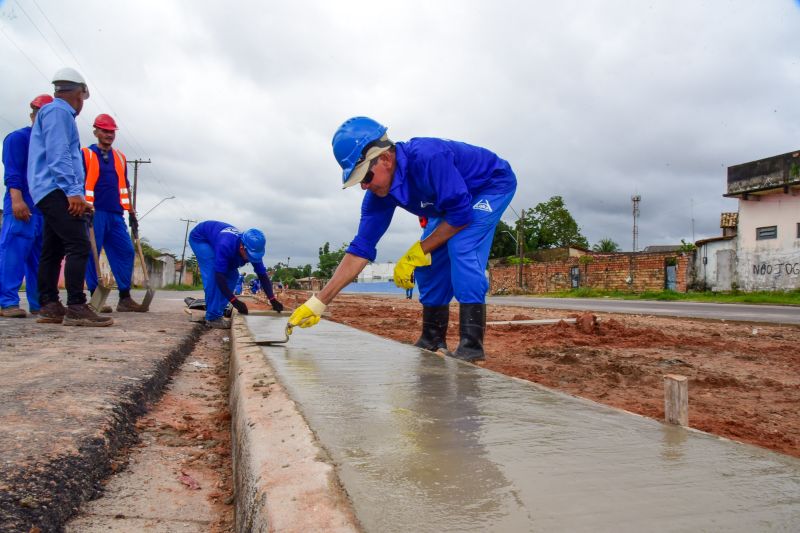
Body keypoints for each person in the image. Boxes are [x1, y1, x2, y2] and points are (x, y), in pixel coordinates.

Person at [288, 117, 516, 362]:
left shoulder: (429, 157)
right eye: (359, 182)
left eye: (366, 176)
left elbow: (461, 217)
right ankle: (432, 338)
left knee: (461, 245)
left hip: (489, 186)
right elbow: (360, 250)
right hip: (452, 203)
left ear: (385, 158)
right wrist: (320, 302)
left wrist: (415, 251)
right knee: (426, 263)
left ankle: (471, 346)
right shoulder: (379, 197)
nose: (364, 186)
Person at [27, 68, 113, 326]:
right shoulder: (59, 112)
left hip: (49, 189)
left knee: (52, 249)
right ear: (79, 94)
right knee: (78, 245)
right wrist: (73, 192)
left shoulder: (53, 112)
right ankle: (76, 305)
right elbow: (58, 154)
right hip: (57, 189)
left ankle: (50, 305)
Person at [82, 113, 145, 312]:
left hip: (116, 214)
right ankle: (94, 297)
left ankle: (124, 298)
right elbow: (78, 183)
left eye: (111, 131)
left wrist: (132, 213)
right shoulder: (86, 154)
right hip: (94, 212)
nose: (109, 135)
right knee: (92, 254)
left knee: (126, 251)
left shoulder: (120, 157)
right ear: (96, 131)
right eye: (105, 131)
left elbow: (125, 187)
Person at [0, 94, 53, 317]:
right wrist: (17, 200)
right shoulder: (19, 139)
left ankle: (38, 303)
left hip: (43, 210)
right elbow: (13, 172)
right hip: (22, 207)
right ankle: (7, 302)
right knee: (13, 254)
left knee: (40, 261)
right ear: (33, 115)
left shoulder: (50, 146)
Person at [188, 221, 283, 328]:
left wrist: (272, 299)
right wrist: (235, 301)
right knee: (213, 275)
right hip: (201, 239)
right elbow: (219, 276)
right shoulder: (225, 245)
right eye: (250, 256)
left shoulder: (253, 248)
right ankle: (213, 317)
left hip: (218, 240)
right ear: (242, 247)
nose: (251, 260)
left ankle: (217, 311)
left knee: (233, 276)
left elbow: (263, 276)